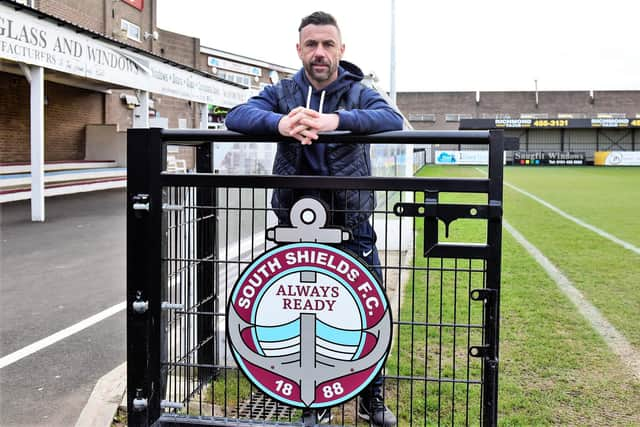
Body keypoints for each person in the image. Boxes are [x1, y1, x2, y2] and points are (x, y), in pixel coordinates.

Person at [225, 11, 402, 427]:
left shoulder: (358, 92)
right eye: (311, 45)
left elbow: (390, 119)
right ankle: (314, 401)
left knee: (366, 312)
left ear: (341, 49)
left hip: (352, 226)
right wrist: (281, 123)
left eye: (327, 44)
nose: (319, 53)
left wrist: (333, 122)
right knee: (304, 313)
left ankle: (371, 397)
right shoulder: (284, 91)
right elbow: (237, 116)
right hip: (295, 226)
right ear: (299, 49)